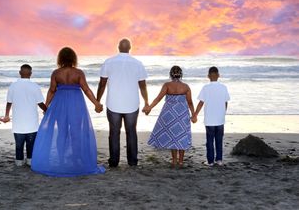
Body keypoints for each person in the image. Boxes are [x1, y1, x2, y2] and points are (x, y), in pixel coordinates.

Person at [31, 47, 105, 177]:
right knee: (76, 133)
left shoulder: (56, 73)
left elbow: (52, 90)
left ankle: (60, 159)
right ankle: (76, 159)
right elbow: (86, 90)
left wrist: (47, 107)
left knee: (62, 132)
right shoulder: (79, 73)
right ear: (73, 58)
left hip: (59, 105)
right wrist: (96, 103)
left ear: (60, 59)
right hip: (76, 104)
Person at [97, 38, 149, 167]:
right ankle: (132, 161)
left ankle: (114, 162)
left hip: (113, 103)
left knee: (114, 133)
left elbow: (102, 84)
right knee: (131, 132)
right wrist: (146, 102)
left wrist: (97, 101)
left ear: (118, 47)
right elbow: (143, 86)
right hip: (131, 104)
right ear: (130, 47)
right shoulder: (137, 63)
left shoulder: (109, 62)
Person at [143, 66, 195, 167]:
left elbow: (158, 99)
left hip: (169, 114)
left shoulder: (167, 85)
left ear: (170, 75)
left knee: (173, 136)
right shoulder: (186, 87)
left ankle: (174, 160)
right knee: (181, 136)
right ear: (181, 74)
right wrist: (194, 115)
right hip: (182, 113)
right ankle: (180, 161)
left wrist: (149, 107)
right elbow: (190, 102)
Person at [4, 64, 47, 166]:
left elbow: (9, 102)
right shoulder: (35, 86)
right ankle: (29, 161)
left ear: (20, 73)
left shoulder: (13, 86)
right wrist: (47, 111)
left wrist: (6, 115)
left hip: (18, 123)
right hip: (32, 123)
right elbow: (40, 103)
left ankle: (19, 162)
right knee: (31, 145)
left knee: (19, 145)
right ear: (31, 74)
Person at [192, 66, 230, 166]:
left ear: (208, 76)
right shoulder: (223, 87)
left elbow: (201, 103)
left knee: (209, 141)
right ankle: (219, 160)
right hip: (220, 119)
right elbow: (225, 102)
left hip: (209, 119)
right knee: (219, 140)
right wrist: (223, 113)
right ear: (218, 75)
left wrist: (195, 114)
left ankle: (210, 161)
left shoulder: (206, 88)